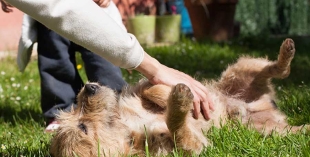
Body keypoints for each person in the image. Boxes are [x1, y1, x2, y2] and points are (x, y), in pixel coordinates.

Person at [1, 0, 214, 120]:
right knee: (55, 63)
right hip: (52, 20)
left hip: (95, 14)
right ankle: (60, 113)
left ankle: (119, 106)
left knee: (103, 58)